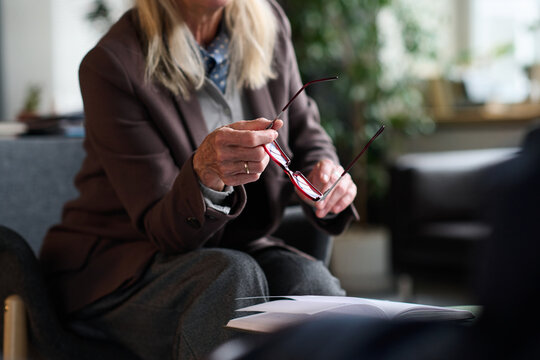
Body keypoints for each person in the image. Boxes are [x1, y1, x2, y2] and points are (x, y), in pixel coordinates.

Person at [39, 0, 359, 358]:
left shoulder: (267, 21)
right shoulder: (113, 63)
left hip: (235, 245)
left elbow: (305, 134)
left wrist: (325, 169)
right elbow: (162, 228)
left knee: (310, 284)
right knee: (229, 279)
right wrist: (204, 173)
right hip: (124, 262)